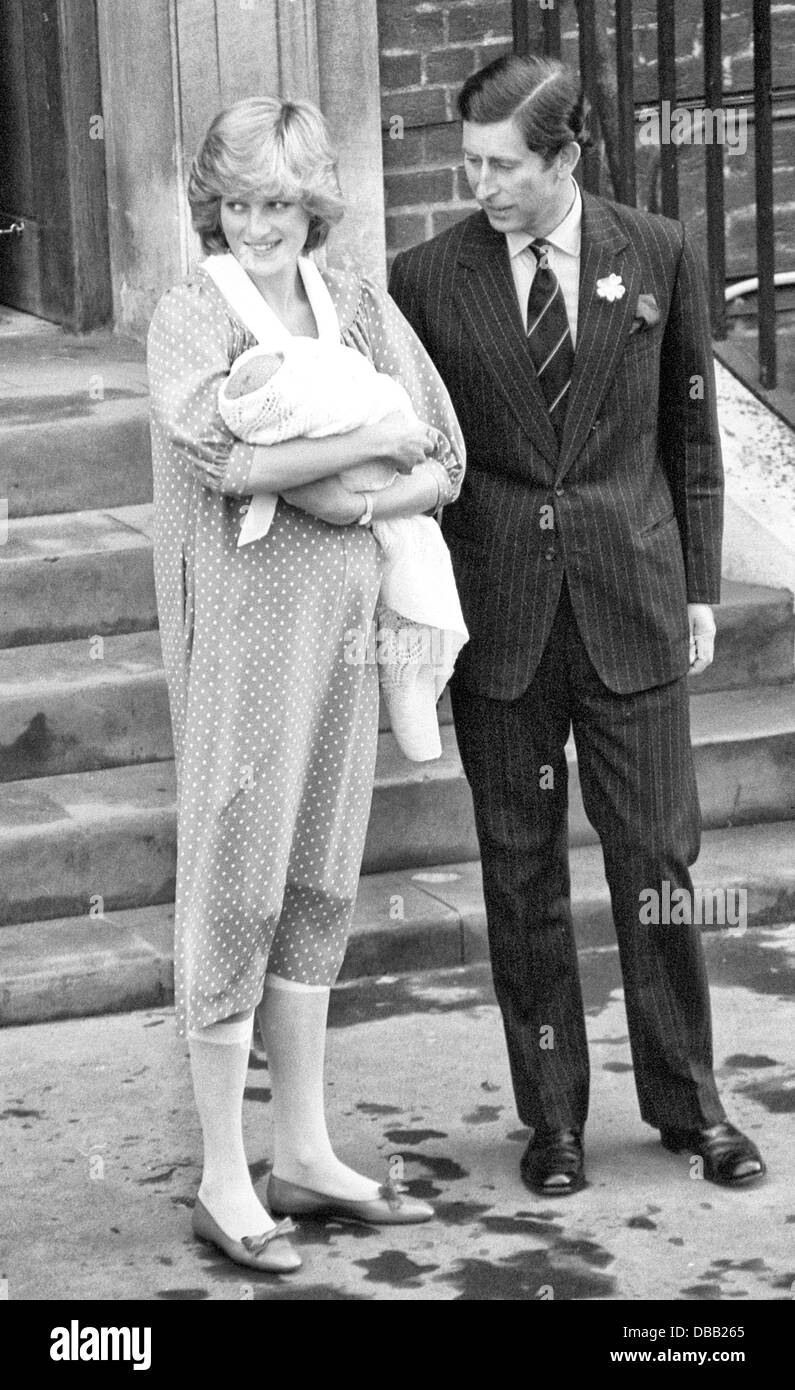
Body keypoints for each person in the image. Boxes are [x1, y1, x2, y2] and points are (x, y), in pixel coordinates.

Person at [388, 53, 766, 1197]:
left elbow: (691, 434)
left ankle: (691, 1106)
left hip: (632, 601)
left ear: (566, 156)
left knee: (656, 858)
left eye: (504, 166)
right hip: (501, 619)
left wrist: (698, 583)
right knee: (520, 874)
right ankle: (551, 1120)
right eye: (470, 165)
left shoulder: (654, 250)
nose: (483, 186)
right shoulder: (425, 279)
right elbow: (417, 451)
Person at [147, 95, 465, 1273]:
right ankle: (225, 1176)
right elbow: (224, 458)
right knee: (236, 871)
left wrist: (356, 495)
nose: (259, 224)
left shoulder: (360, 306)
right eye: (237, 203)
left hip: (346, 634)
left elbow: (447, 453)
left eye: (279, 202)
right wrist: (353, 457)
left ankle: (306, 1151)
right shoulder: (192, 315)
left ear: (313, 204)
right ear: (212, 208)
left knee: (322, 872)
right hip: (240, 633)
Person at [215, 334, 468, 761]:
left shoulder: (358, 306)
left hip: (366, 576)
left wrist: (357, 505)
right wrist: (377, 444)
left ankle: (416, 715)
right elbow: (230, 465)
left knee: (413, 608)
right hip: (269, 597)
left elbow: (444, 460)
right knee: (268, 760)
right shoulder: (201, 316)